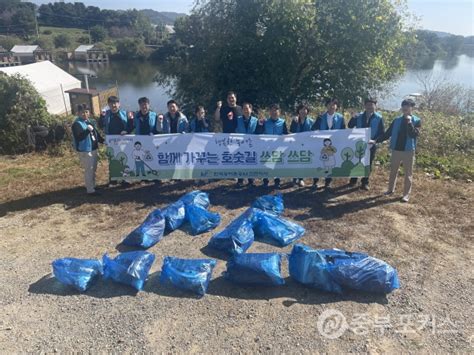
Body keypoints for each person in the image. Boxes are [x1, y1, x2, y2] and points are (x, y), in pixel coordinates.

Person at [374, 98, 421, 202]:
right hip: (396, 149)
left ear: (411, 108)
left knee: (408, 173)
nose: (405, 108)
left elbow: (414, 134)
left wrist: (409, 123)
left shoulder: (416, 120)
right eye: (403, 106)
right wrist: (375, 141)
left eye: (408, 106)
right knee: (393, 171)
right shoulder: (397, 120)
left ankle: (406, 195)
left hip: (408, 151)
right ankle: (390, 190)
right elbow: (387, 134)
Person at [347, 97, 384, 190]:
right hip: (358, 143)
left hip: (371, 144)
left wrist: (375, 141)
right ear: (365, 106)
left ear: (375, 106)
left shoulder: (379, 118)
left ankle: (365, 182)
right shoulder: (358, 116)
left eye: (372, 105)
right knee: (356, 161)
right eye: (368, 105)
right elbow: (350, 125)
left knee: (368, 163)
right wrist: (352, 117)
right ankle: (353, 180)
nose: (369, 107)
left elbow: (381, 133)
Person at [311, 98, 346, 190]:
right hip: (321, 144)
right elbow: (314, 128)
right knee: (319, 162)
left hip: (333, 144)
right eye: (329, 104)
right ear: (326, 106)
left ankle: (328, 182)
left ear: (336, 106)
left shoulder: (340, 117)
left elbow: (343, 131)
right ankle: (315, 181)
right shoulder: (321, 117)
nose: (331, 106)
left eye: (334, 104)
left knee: (330, 163)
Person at [72, 104, 104, 196]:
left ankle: (93, 185)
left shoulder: (89, 122)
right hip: (85, 151)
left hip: (93, 149)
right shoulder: (77, 124)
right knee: (88, 170)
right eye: (82, 112)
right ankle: (90, 190)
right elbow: (79, 137)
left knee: (93, 169)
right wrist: (87, 131)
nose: (84, 114)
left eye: (86, 112)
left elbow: (96, 134)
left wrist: (103, 141)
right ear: (78, 113)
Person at [260, 103, 288, 189]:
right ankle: (265, 181)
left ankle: (277, 182)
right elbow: (259, 133)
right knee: (266, 165)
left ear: (279, 112)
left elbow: (286, 134)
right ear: (269, 112)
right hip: (267, 147)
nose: (274, 112)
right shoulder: (265, 122)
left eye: (276, 110)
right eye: (272, 110)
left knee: (277, 165)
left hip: (278, 147)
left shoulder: (283, 122)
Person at [290, 103, 315, 187]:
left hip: (307, 145)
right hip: (296, 145)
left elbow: (314, 133)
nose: (303, 111)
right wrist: (295, 122)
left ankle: (301, 179)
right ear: (298, 111)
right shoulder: (295, 120)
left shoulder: (311, 121)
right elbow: (291, 131)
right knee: (296, 161)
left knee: (303, 162)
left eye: (305, 109)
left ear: (307, 111)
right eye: (301, 109)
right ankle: (294, 178)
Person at [235, 102, 259, 187]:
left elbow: (258, 132)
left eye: (247, 108)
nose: (246, 110)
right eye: (244, 109)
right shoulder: (238, 119)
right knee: (241, 162)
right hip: (240, 145)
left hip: (251, 145)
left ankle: (251, 180)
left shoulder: (256, 120)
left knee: (250, 162)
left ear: (251, 110)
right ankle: (240, 180)